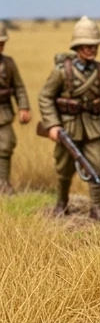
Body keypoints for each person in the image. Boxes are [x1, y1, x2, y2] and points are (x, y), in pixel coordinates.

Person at [38, 16, 100, 220]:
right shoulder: (62, 71)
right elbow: (45, 97)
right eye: (87, 45)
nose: (92, 49)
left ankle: (96, 207)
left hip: (95, 126)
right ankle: (61, 203)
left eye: (95, 45)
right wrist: (52, 125)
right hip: (68, 127)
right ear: (77, 46)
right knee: (64, 167)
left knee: (98, 164)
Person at [0, 20, 32, 194]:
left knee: (7, 143)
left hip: (3, 112)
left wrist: (23, 107)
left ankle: (3, 183)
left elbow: (19, 87)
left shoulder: (9, 63)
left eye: (2, 43)